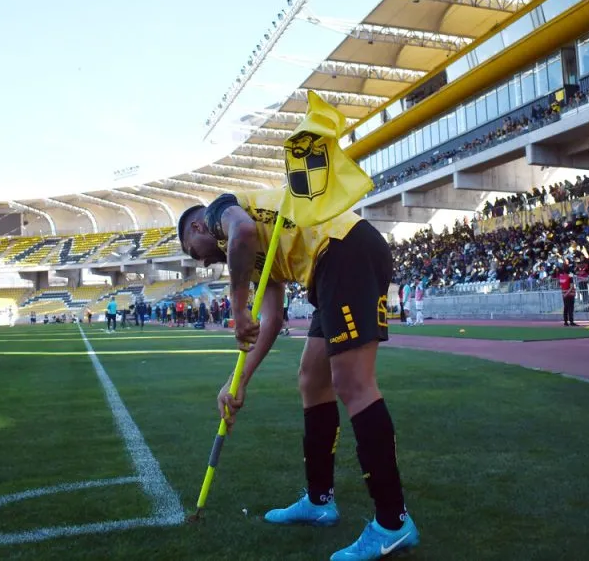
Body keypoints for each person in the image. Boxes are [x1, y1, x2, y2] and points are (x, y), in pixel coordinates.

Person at [178, 188, 419, 560]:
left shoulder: (219, 213)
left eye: (195, 251)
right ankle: (319, 500)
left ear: (198, 226)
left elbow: (240, 232)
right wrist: (238, 379)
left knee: (353, 383)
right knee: (312, 379)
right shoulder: (255, 252)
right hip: (329, 268)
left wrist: (238, 308)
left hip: (342, 249)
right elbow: (273, 320)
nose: (204, 261)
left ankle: (393, 521)